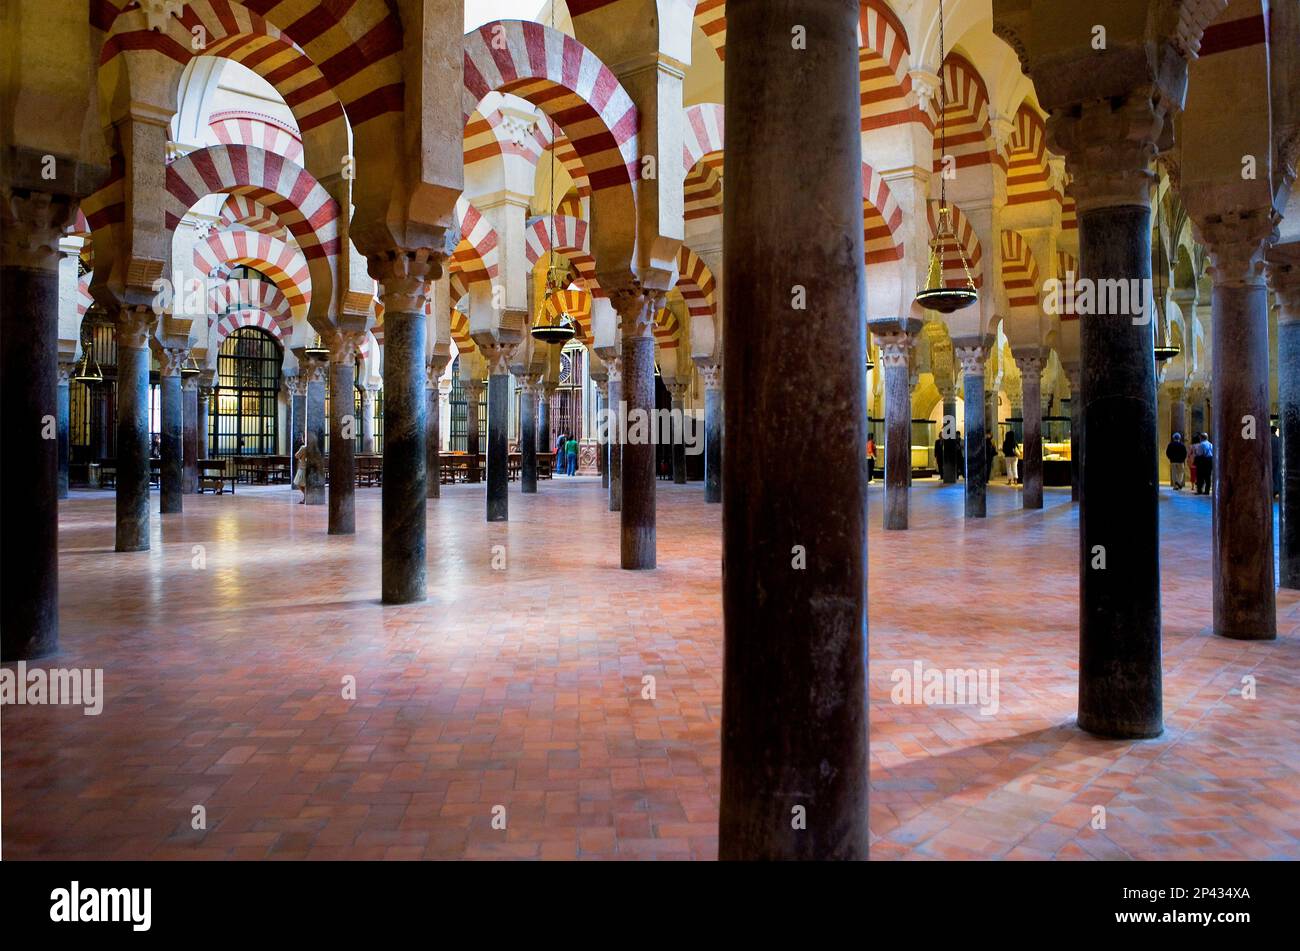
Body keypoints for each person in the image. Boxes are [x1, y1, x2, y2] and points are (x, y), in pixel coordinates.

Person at [292, 438, 307, 503]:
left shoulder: (303, 447)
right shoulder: (313, 447)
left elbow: (297, 455)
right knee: (304, 483)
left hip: (303, 467)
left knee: (298, 483)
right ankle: (306, 497)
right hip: (311, 467)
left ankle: (306, 496)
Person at [1273, 425, 1282, 499]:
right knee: (1276, 475)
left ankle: (1272, 490)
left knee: (1271, 475)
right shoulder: (1278, 439)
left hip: (1271, 459)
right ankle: (1276, 491)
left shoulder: (1267, 439)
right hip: (1277, 459)